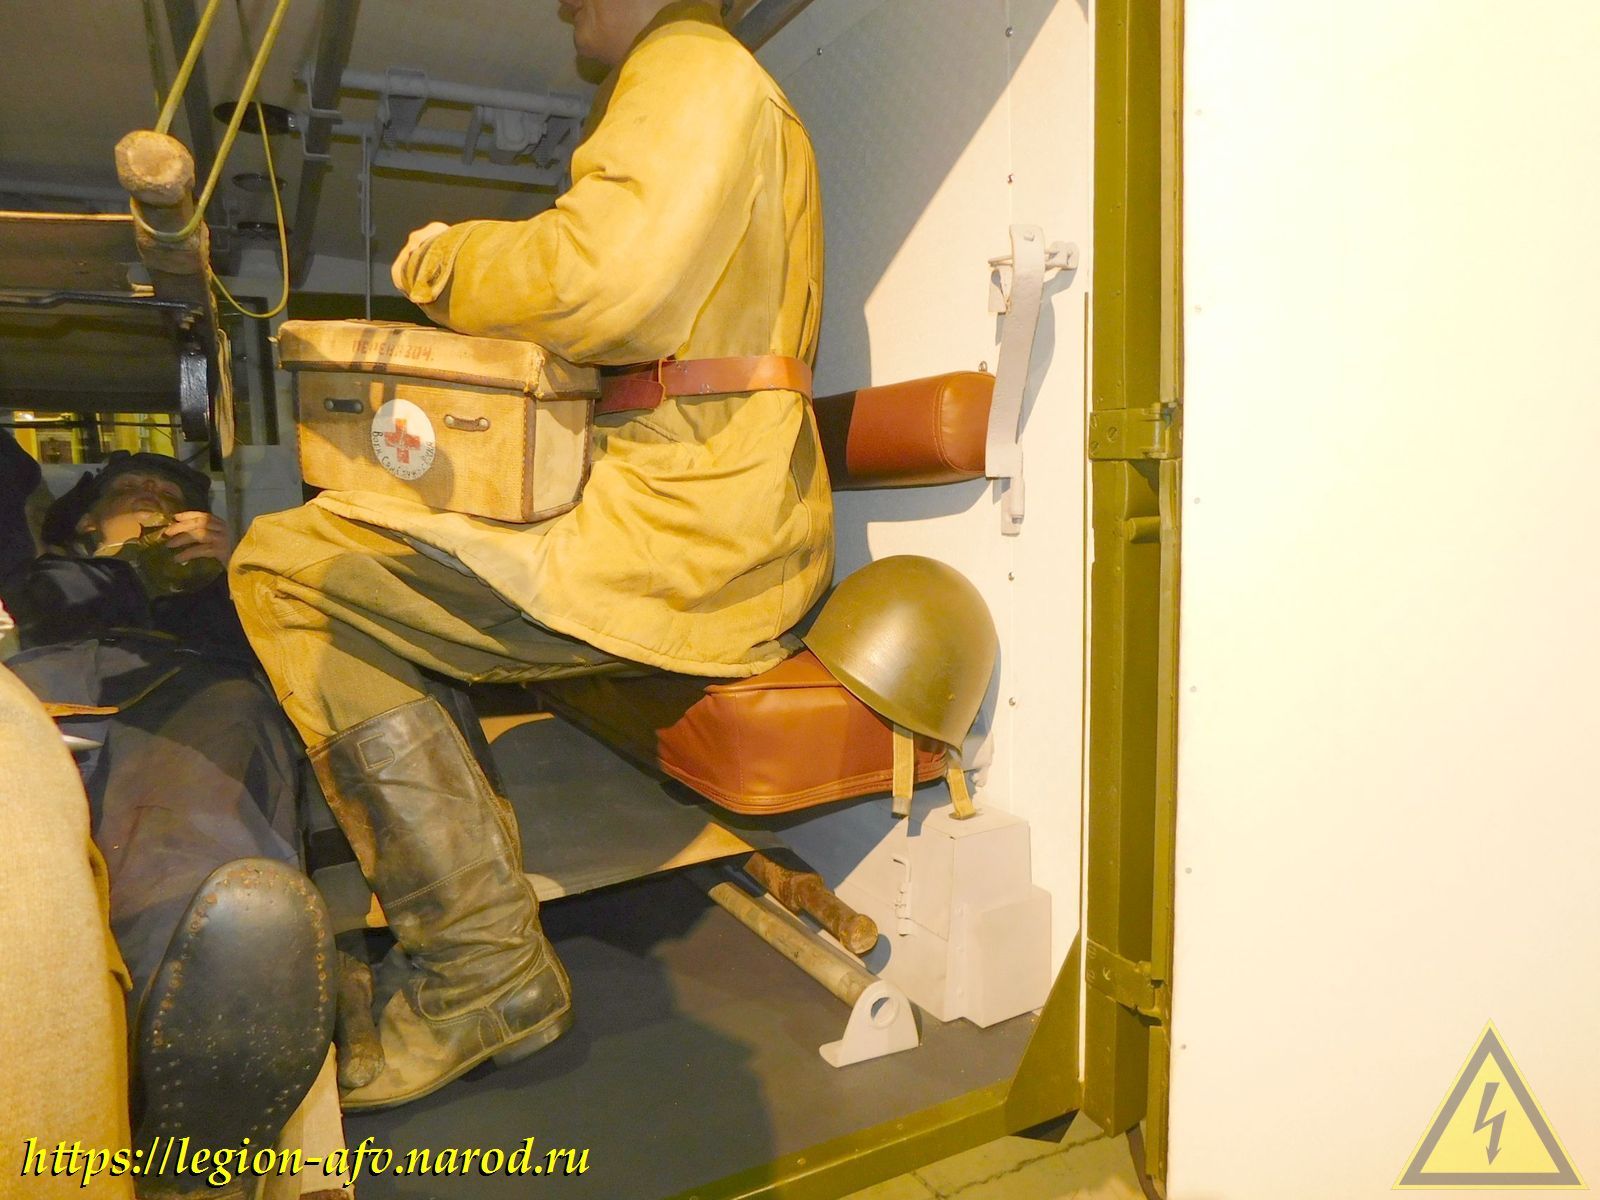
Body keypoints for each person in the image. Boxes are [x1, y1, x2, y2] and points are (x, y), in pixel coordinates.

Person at [228, 0, 831, 1111]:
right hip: (694, 507)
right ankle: (476, 934)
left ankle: (481, 974)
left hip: (690, 530)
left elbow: (601, 282)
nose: (561, 4)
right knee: (332, 554)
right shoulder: (710, 75)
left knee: (288, 566)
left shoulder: (686, 59)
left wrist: (447, 257)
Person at [0, 451, 335, 1193]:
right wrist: (121, 563)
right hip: (31, 703)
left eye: (171, 494)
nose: (153, 497)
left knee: (193, 838)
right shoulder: (37, 577)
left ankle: (187, 1072)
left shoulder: (224, 592)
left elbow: (288, 652)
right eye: (131, 489)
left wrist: (234, 569)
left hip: (182, 699)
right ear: (86, 518)